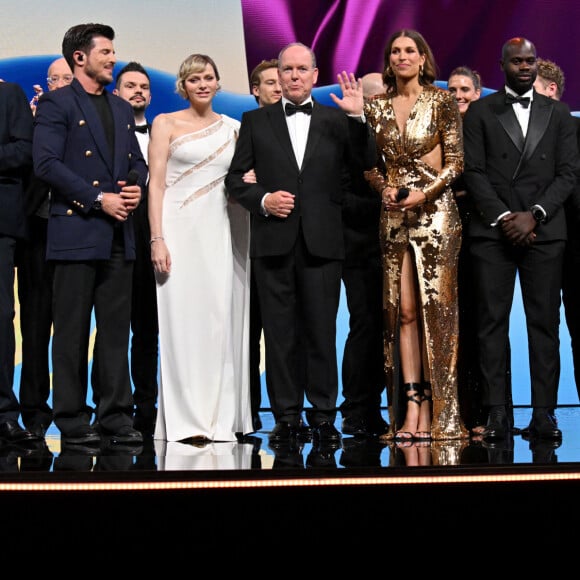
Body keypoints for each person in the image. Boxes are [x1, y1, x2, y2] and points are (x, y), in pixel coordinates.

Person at [225, 42, 376, 446]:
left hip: (324, 242)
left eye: (300, 69)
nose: (293, 75)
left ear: (314, 74)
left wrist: (360, 116)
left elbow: (366, 166)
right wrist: (263, 200)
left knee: (321, 332)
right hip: (273, 242)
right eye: (286, 69)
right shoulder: (255, 120)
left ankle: (324, 416)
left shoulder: (337, 119)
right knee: (279, 335)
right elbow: (235, 180)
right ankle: (287, 417)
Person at [33, 23, 147, 447]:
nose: (113, 58)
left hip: (118, 235)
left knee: (117, 331)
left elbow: (136, 159)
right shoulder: (56, 104)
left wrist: (136, 182)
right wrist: (99, 199)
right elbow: (45, 165)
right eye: (106, 52)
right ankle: (71, 419)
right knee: (71, 331)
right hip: (77, 229)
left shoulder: (120, 108)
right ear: (80, 57)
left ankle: (116, 416)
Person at [462, 37, 580, 441]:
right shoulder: (479, 111)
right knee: (491, 324)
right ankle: (497, 412)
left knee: (543, 325)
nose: (525, 66)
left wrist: (535, 216)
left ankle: (544, 414)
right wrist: (503, 217)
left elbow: (567, 173)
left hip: (544, 232)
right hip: (493, 231)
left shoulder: (560, 113)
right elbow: (473, 171)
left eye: (530, 60)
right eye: (517, 61)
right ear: (503, 65)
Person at [364, 29, 468, 442]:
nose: (402, 57)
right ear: (388, 60)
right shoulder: (376, 108)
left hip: (437, 216)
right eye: (395, 51)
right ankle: (412, 406)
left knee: (436, 315)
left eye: (410, 51)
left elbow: (457, 161)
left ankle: (442, 413)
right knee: (402, 313)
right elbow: (370, 167)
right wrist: (383, 188)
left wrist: (425, 192)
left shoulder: (441, 100)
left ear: (423, 59)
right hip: (393, 217)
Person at [148, 53, 252, 443]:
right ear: (183, 85)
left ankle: (217, 419)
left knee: (216, 322)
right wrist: (157, 237)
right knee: (179, 323)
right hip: (176, 230)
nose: (202, 84)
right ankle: (184, 419)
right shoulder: (165, 123)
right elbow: (154, 185)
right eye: (194, 79)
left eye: (208, 77)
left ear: (218, 81)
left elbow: (241, 181)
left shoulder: (233, 128)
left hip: (219, 232)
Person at [15, 57, 73, 438]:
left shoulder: (92, 122)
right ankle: (34, 412)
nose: (61, 83)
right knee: (35, 325)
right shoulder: (32, 120)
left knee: (72, 326)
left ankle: (74, 410)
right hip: (36, 231)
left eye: (67, 77)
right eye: (54, 78)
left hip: (77, 232)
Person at [339, 71, 389, 438]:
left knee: (395, 329)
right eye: (382, 94)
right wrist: (386, 204)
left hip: (401, 242)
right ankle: (358, 407)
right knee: (366, 326)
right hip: (360, 246)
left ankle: (393, 405)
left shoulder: (401, 125)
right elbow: (342, 191)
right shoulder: (346, 131)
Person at [112, 61, 159, 436]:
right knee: (112, 331)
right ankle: (112, 406)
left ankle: (147, 404)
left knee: (148, 331)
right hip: (114, 240)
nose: (138, 91)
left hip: (153, 245)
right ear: (116, 92)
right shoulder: (104, 137)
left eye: (143, 86)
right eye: (130, 86)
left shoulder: (164, 135)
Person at [533, 58, 580, 405]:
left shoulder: (575, 130)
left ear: (551, 90)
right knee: (549, 332)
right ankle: (545, 412)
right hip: (545, 247)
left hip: (576, 247)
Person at [0, 80, 42, 446]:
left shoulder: (8, 94)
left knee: (0, 317)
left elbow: (23, 150)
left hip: (0, 223)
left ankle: (3, 414)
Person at [247, 58, 282, 432]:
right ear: (255, 89)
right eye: (269, 82)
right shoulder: (241, 128)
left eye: (280, 81)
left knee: (282, 333)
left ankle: (286, 412)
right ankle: (248, 409)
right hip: (243, 245)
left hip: (282, 242)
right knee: (247, 334)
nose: (277, 87)